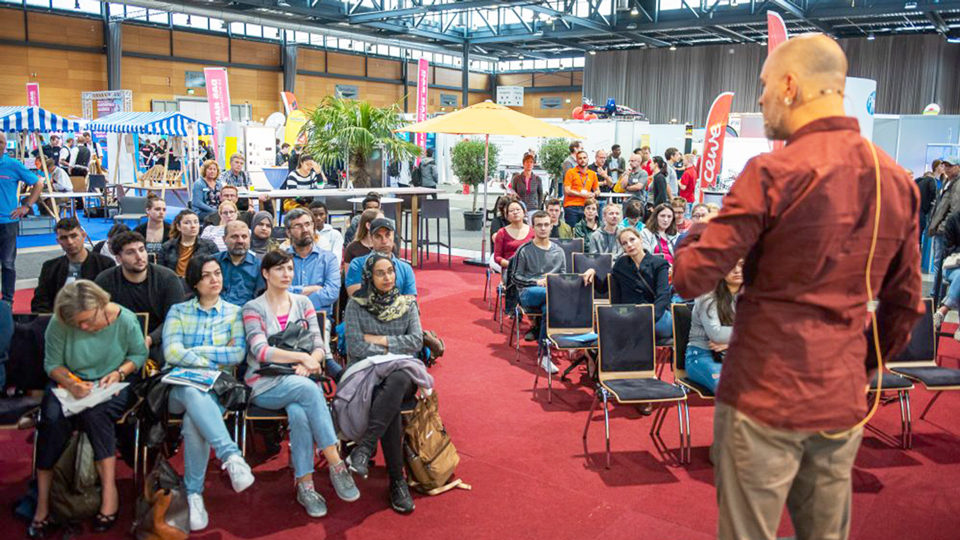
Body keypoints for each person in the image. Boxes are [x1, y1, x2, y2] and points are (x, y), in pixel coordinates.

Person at [673, 34, 922, 540]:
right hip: (840, 397)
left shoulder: (771, 172)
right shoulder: (894, 177)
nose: (760, 99)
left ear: (790, 85)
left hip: (762, 396)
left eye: (763, 86)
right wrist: (857, 367)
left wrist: (701, 229)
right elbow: (905, 304)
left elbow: (688, 278)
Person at [242, 250, 360, 518]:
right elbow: (261, 351)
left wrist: (313, 359)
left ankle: (305, 485)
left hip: (302, 376)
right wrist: (303, 358)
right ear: (265, 273)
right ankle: (336, 462)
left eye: (290, 269)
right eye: (280, 269)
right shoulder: (253, 308)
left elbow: (319, 345)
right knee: (308, 390)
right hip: (265, 382)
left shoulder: (303, 304)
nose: (286, 274)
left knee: (299, 411)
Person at [30, 280, 147, 538]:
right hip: (70, 382)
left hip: (112, 382)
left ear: (102, 306)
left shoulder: (124, 319)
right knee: (51, 421)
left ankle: (108, 493)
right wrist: (71, 383)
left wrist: (118, 373)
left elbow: (138, 356)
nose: (82, 327)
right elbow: (52, 364)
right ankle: (42, 503)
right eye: (77, 323)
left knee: (97, 415)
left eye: (87, 321)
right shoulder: (61, 322)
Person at [163, 256, 254, 531]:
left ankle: (194, 493)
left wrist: (193, 352)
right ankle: (230, 455)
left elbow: (237, 353)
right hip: (176, 389)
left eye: (218, 273)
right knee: (191, 392)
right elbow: (170, 353)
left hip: (215, 388)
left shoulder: (234, 312)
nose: (215, 279)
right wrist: (211, 357)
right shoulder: (178, 311)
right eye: (207, 275)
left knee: (194, 422)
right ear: (194, 281)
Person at [342, 254, 429, 514]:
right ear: (369, 277)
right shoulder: (356, 305)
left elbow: (416, 341)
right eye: (380, 273)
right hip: (366, 374)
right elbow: (356, 346)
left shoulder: (407, 304)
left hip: (402, 374)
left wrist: (379, 341)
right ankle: (397, 481)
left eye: (390, 271)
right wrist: (393, 349)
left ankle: (365, 447)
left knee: (398, 378)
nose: (388, 277)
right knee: (388, 396)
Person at [96, 231, 185, 364]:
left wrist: (150, 339)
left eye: (141, 250)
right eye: (130, 252)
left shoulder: (167, 278)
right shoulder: (105, 281)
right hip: (118, 339)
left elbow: (175, 320)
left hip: (159, 339)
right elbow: (98, 318)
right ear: (119, 258)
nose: (139, 257)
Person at [512, 210, 568, 374]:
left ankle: (544, 355)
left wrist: (553, 283)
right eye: (539, 225)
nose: (543, 228)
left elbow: (563, 277)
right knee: (556, 298)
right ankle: (568, 333)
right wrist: (536, 282)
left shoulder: (558, 251)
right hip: (529, 293)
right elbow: (515, 278)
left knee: (549, 307)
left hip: (551, 294)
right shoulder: (524, 250)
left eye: (546, 225)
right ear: (533, 227)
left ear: (551, 226)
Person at [33, 217, 116, 313]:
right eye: (64, 238)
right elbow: (40, 302)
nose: (70, 242)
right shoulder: (49, 267)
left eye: (73, 236)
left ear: (83, 236)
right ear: (58, 241)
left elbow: (112, 299)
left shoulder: (105, 264)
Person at [685, 260, 743, 393]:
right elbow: (716, 334)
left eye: (742, 265)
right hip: (702, 355)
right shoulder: (707, 296)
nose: (737, 270)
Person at [0, 132, 44, 302]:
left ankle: (7, 301)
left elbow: (38, 183)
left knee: (8, 264)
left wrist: (27, 206)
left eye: (2, 142)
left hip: (7, 222)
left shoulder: (12, 165)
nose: (0, 145)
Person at [611, 227, 672, 340]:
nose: (629, 245)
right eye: (624, 243)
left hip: (655, 314)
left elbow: (663, 296)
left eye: (632, 239)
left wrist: (649, 318)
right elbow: (608, 288)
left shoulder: (659, 264)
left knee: (658, 328)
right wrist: (593, 271)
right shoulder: (621, 264)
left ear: (640, 239)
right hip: (631, 315)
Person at [283, 208, 340, 317]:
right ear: (288, 232)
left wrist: (295, 296)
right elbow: (279, 292)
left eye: (308, 224)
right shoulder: (281, 259)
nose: (305, 229)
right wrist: (311, 289)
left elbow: (332, 293)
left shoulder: (328, 258)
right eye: (298, 226)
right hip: (287, 317)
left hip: (319, 316)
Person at [345, 218, 415, 297]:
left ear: (393, 237)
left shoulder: (405, 269)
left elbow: (410, 302)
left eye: (388, 235)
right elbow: (355, 298)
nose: (384, 241)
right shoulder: (357, 264)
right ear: (371, 239)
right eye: (378, 236)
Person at [159, 210, 220, 278]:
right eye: (187, 223)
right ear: (178, 227)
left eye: (196, 222)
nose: (193, 226)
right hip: (174, 284)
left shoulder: (210, 246)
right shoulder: (167, 247)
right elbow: (161, 273)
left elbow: (218, 269)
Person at [216, 221, 262, 307]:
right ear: (224, 239)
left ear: (250, 239)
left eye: (244, 237)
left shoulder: (259, 266)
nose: (240, 241)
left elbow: (261, 298)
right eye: (234, 236)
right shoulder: (212, 262)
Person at [492, 200, 534, 271]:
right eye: (511, 211)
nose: (515, 212)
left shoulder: (533, 231)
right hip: (509, 271)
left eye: (518, 210)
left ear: (524, 212)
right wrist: (511, 265)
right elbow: (497, 257)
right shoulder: (502, 232)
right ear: (507, 216)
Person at [562, 150, 600, 227]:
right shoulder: (570, 172)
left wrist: (594, 194)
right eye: (580, 158)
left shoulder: (592, 174)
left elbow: (598, 190)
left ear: (588, 159)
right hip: (571, 206)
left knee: (586, 231)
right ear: (577, 160)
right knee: (572, 232)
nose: (582, 160)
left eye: (584, 158)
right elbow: (567, 190)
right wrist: (582, 195)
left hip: (586, 207)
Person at [509, 154, 543, 218]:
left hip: (533, 208)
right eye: (527, 162)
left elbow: (540, 194)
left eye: (531, 162)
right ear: (523, 164)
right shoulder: (517, 178)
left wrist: (539, 208)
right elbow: (513, 192)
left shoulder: (537, 179)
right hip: (520, 208)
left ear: (533, 164)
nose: (529, 164)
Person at [916, 165, 939, 245]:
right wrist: (933, 201)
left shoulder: (916, 182)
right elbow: (933, 191)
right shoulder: (931, 180)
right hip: (922, 212)